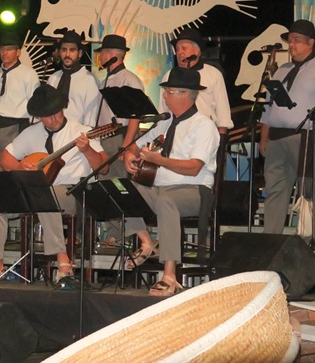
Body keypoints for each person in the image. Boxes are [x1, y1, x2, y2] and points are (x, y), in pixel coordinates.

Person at [0, 85, 108, 284]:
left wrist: (87, 150)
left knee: (45, 195)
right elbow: (5, 159)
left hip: (71, 192)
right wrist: (19, 166)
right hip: (37, 191)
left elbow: (103, 168)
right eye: (47, 116)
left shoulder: (82, 131)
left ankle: (63, 261)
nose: (54, 119)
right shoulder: (31, 133)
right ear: (38, 117)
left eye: (57, 113)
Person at [122, 67, 219, 296]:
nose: (164, 96)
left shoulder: (203, 125)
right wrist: (128, 155)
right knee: (124, 191)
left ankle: (169, 275)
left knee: (166, 201)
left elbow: (194, 168)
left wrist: (159, 160)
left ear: (185, 94)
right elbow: (134, 146)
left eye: (169, 91)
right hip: (159, 187)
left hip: (194, 190)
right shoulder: (164, 122)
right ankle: (147, 242)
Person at [260, 20, 315, 234]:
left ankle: (309, 237)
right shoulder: (282, 70)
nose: (291, 45)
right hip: (276, 137)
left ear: (311, 43)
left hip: (306, 137)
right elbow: (268, 107)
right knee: (275, 188)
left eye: (297, 40)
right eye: (290, 41)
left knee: (308, 189)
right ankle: (271, 238)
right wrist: (264, 136)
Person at [161, 28, 233, 134]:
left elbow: (223, 112)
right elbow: (163, 110)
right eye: (177, 49)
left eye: (184, 48)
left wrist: (222, 138)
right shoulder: (169, 76)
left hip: (206, 133)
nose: (179, 52)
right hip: (177, 134)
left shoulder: (213, 74)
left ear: (196, 51)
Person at [0, 31, 40, 171]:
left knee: (13, 169)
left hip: (15, 126)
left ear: (18, 52)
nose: (5, 53)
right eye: (2, 49)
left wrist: (33, 130)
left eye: (9, 49)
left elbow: (34, 105)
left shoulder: (28, 74)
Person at [94, 34, 144, 178]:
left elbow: (135, 116)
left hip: (120, 138)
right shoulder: (105, 81)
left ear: (110, 55)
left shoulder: (129, 80)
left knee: (119, 182)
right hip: (106, 139)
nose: (100, 57)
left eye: (102, 53)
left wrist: (126, 146)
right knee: (106, 181)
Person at [46, 29, 101, 127]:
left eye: (72, 50)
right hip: (53, 132)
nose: (67, 54)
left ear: (79, 53)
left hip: (79, 134)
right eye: (64, 50)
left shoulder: (89, 80)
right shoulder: (53, 78)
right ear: (59, 52)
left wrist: (87, 135)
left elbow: (91, 117)